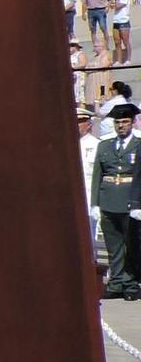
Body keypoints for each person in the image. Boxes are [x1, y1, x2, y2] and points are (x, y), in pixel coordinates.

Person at [93, 102, 141, 299]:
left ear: (132, 123)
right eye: (118, 122)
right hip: (109, 200)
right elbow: (98, 174)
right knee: (114, 247)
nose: (121, 126)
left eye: (125, 122)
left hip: (130, 202)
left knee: (132, 246)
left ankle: (130, 284)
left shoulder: (138, 145)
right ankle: (116, 283)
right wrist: (95, 203)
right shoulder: (105, 145)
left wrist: (138, 204)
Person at [79, 105, 103, 279]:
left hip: (89, 195)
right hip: (74, 197)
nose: (78, 125)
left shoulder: (95, 145)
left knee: (90, 237)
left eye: (81, 121)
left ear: (88, 124)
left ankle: (91, 269)